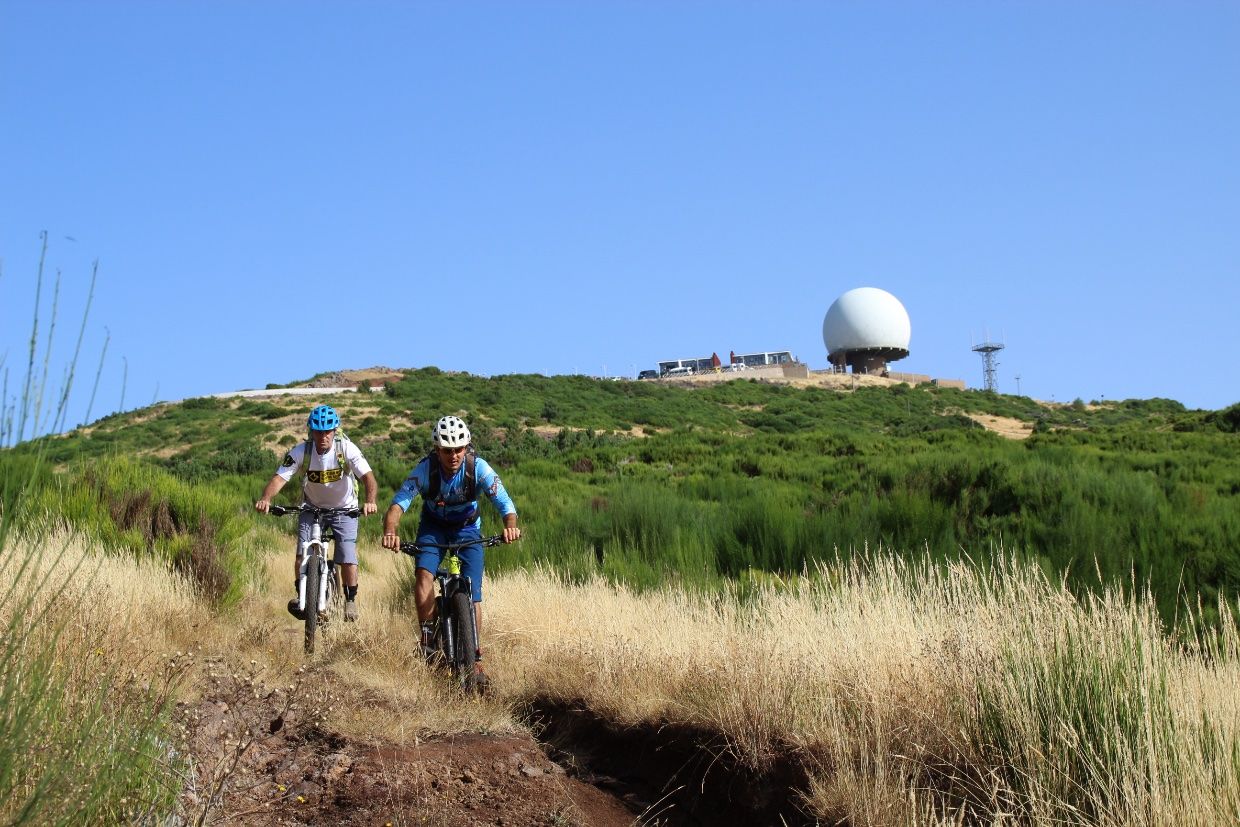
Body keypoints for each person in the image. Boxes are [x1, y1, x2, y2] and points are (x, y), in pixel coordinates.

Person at [381, 414, 520, 683]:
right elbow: (398, 505)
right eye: (447, 450)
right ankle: (427, 638)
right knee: (423, 575)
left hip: (468, 528)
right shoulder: (425, 470)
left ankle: (476, 659)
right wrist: (390, 532)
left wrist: (510, 526)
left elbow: (505, 503)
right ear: (437, 450)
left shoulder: (477, 468)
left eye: (459, 449)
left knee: (474, 594)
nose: (454, 455)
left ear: (466, 447)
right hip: (433, 528)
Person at [255, 404, 378, 622]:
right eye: (318, 431)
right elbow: (279, 478)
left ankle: (350, 600)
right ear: (311, 431)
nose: (323, 437)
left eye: (327, 431)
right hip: (312, 507)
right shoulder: (302, 451)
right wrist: (266, 499)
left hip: (344, 508)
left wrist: (370, 501)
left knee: (347, 555)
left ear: (335, 430)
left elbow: (368, 478)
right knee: (302, 552)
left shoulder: (347, 448)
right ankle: (302, 595)